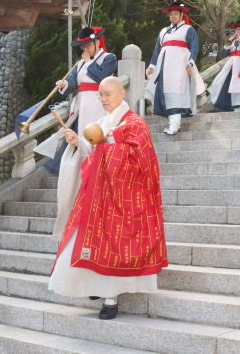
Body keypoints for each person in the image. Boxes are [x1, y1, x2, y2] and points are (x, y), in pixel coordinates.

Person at [49, 76, 168, 320]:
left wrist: (106, 147)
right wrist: (79, 142)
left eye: (107, 94)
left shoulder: (135, 124)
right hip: (98, 194)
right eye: (100, 94)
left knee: (114, 246)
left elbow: (142, 160)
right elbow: (94, 151)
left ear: (121, 93)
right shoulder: (103, 122)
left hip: (123, 196)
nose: (103, 99)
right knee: (84, 240)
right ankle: (94, 287)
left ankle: (110, 300)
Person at [37, 27, 117, 176]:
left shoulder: (109, 58)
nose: (85, 49)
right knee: (79, 137)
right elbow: (73, 81)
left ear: (97, 43)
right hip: (81, 105)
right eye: (83, 46)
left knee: (97, 136)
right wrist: (64, 84)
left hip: (99, 105)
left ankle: (99, 169)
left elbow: (101, 77)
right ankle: (82, 170)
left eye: (88, 45)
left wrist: (87, 62)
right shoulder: (80, 64)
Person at [145, 1, 205, 135]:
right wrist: (152, 66)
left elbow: (194, 47)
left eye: (176, 14)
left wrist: (190, 63)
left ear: (181, 15)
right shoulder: (164, 31)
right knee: (166, 94)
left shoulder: (188, 29)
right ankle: (173, 124)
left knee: (176, 93)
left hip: (180, 66)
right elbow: (157, 50)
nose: (173, 16)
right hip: (165, 67)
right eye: (171, 14)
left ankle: (175, 124)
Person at [208, 19, 240, 112]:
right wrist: (228, 43)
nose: (237, 31)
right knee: (231, 87)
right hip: (232, 67)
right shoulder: (232, 42)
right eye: (236, 29)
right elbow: (223, 54)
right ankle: (235, 108)